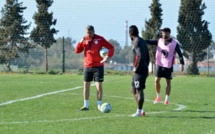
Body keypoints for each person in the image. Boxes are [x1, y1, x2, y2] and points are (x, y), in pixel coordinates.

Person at [75, 25, 114, 111]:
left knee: (98, 86)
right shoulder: (85, 39)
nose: (88, 34)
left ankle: (99, 105)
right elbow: (77, 51)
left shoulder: (100, 39)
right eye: (87, 33)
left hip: (98, 66)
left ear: (93, 31)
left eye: (90, 33)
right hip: (87, 66)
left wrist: (107, 56)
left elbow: (111, 47)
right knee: (86, 85)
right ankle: (86, 105)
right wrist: (80, 42)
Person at [145, 27, 184, 105]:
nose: (162, 34)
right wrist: (139, 40)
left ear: (168, 33)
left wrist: (182, 64)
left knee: (168, 82)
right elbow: (149, 41)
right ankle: (158, 97)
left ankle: (166, 99)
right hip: (160, 64)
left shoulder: (174, 43)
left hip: (169, 66)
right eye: (162, 32)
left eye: (164, 32)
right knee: (156, 81)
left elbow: (180, 54)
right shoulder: (159, 41)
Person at [129, 25, 150, 117]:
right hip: (142, 69)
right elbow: (148, 56)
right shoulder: (142, 41)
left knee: (139, 90)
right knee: (133, 89)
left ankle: (139, 111)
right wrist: (147, 66)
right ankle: (141, 109)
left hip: (140, 70)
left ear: (131, 33)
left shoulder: (136, 42)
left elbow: (141, 56)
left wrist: (137, 68)